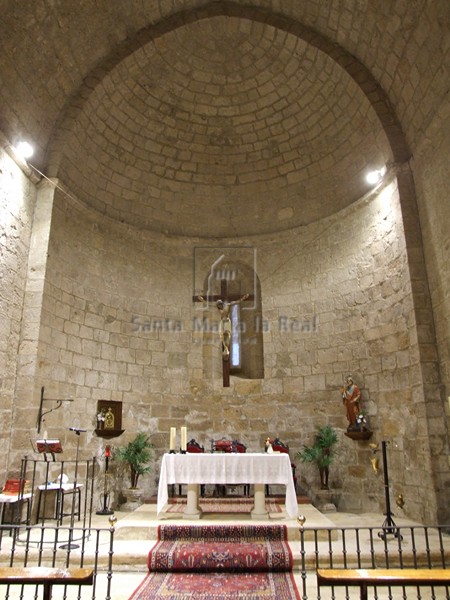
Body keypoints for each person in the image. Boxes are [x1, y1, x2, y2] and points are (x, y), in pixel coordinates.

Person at [197, 293, 249, 361]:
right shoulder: (217, 307)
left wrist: (243, 298)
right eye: (218, 306)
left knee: (227, 334)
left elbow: (236, 302)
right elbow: (209, 304)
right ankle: (226, 350)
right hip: (222, 322)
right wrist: (202, 300)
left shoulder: (227, 305)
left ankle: (226, 350)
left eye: (220, 306)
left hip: (227, 321)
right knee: (221, 335)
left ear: (222, 304)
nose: (219, 307)